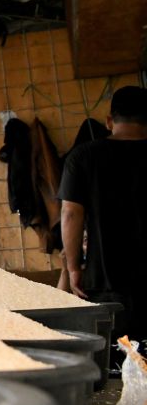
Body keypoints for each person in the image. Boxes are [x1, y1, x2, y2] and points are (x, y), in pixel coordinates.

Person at [58, 85, 147, 339]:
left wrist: (74, 268)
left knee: (119, 365)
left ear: (109, 121)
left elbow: (70, 214)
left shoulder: (83, 157)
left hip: (107, 284)